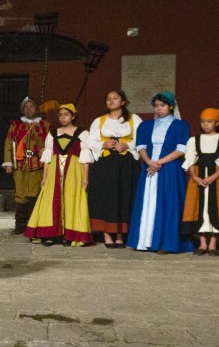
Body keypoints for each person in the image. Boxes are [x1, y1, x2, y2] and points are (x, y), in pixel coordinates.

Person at [127, 91, 193, 253]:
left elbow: (181, 149)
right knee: (148, 201)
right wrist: (149, 162)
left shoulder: (180, 125)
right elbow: (141, 146)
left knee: (168, 203)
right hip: (149, 168)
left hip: (170, 169)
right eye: (156, 106)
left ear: (171, 106)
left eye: (162, 105)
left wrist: (159, 162)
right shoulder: (146, 125)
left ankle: (166, 242)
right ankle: (144, 240)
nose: (159, 109)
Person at [24, 103, 94, 246]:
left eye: (66, 115)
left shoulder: (82, 133)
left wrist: (85, 177)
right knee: (51, 200)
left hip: (74, 170)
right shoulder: (53, 133)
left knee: (71, 200)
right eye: (60, 115)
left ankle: (70, 235)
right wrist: (44, 177)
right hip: (54, 170)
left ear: (73, 116)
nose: (63, 118)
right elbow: (48, 157)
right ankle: (50, 234)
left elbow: (85, 157)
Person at [87, 90, 143, 248]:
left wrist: (127, 145)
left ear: (123, 101)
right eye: (108, 99)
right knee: (106, 196)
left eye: (115, 98)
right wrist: (102, 144)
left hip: (126, 163)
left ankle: (120, 234)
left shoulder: (134, 119)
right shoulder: (99, 121)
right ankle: (106, 234)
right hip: (105, 164)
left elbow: (142, 139)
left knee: (123, 195)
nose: (111, 101)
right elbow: (90, 141)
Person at [182, 108, 219, 256]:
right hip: (198, 178)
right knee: (198, 209)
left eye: (209, 122)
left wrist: (213, 177)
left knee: (216, 207)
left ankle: (213, 243)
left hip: (217, 179)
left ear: (217, 123)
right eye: (203, 121)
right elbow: (190, 161)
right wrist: (195, 177)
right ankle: (202, 243)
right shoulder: (194, 140)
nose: (205, 125)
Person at [3, 97, 48, 234]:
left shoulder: (45, 125)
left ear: (36, 109)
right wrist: (8, 162)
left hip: (38, 165)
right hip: (20, 165)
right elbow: (8, 143)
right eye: (26, 107)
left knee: (35, 195)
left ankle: (33, 226)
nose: (29, 109)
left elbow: (49, 145)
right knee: (20, 195)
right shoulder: (16, 125)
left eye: (31, 106)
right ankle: (20, 226)